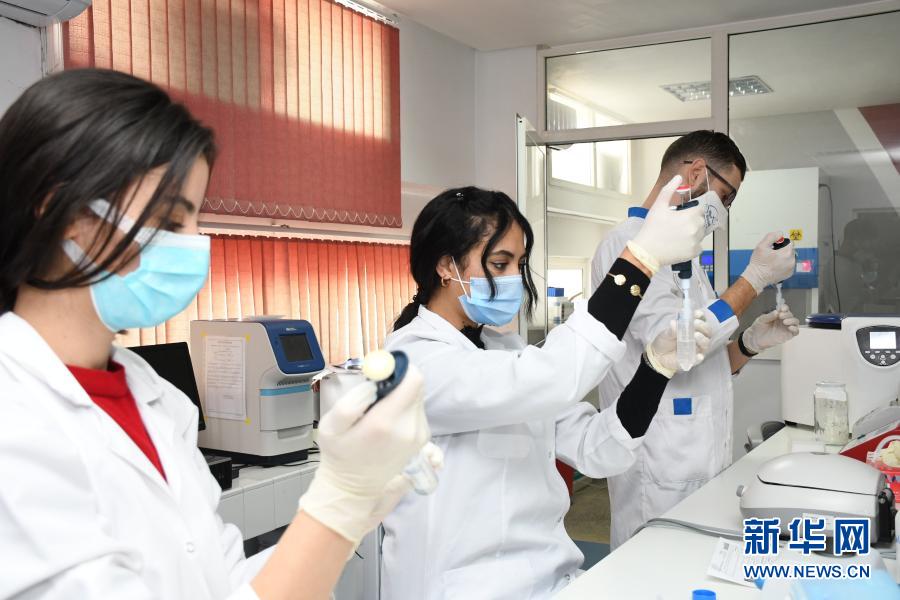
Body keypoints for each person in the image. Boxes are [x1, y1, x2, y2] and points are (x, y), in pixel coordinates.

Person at [0, 69, 433, 600]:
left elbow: (223, 583)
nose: (194, 243)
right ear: (61, 210)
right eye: (169, 220)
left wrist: (356, 505)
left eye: (193, 220)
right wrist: (337, 505)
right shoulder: (14, 416)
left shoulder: (154, 398)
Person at [380, 182, 710, 599]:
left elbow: (598, 448)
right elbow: (552, 375)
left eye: (518, 264)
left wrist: (655, 368)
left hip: (547, 580)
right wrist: (640, 259)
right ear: (446, 266)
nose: (513, 278)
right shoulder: (412, 362)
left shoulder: (503, 348)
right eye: (499, 263)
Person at [590, 130, 801, 550]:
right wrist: (754, 278)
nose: (723, 212)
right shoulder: (628, 246)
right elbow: (672, 343)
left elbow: (699, 358)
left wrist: (747, 345)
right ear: (697, 173)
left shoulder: (681, 254)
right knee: (652, 566)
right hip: (659, 460)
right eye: (725, 197)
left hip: (696, 458)